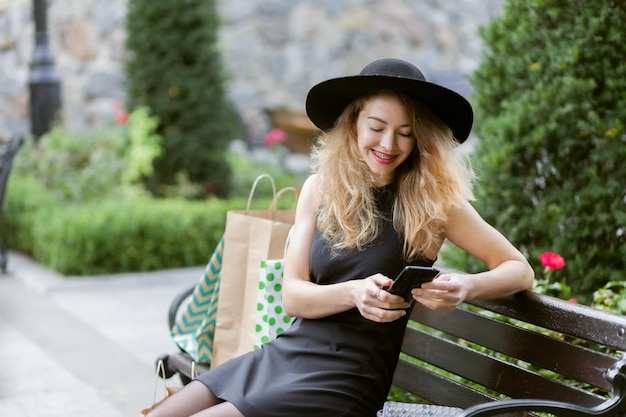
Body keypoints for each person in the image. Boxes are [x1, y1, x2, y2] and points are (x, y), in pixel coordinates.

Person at [148, 58, 535, 417]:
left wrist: (467, 286)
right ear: (353, 124)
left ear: (419, 139)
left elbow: (519, 269)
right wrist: (353, 292)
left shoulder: (435, 205)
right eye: (377, 128)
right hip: (285, 355)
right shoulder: (320, 189)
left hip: (347, 379)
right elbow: (293, 297)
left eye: (405, 133)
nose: (388, 145)